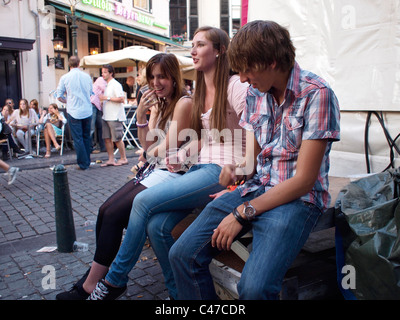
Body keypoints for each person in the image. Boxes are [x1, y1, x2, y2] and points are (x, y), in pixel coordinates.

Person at [168, 20, 341, 300]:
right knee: (182, 254)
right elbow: (253, 161)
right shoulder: (255, 94)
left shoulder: (317, 94)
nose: (244, 78)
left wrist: (241, 212)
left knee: (255, 288)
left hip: (298, 199)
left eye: (247, 70)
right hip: (257, 188)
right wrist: (236, 170)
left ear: (271, 61)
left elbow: (304, 181)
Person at [86, 26, 248, 300]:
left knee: (141, 202)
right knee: (157, 227)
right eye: (192, 45)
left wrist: (243, 171)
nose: (193, 51)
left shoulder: (236, 86)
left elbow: (256, 137)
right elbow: (204, 141)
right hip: (201, 167)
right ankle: (178, 295)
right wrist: (182, 155)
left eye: (200, 45)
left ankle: (114, 281)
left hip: (223, 173)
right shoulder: (200, 93)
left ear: (220, 50)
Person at [55, 53, 193, 300]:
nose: (156, 82)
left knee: (115, 213)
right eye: (152, 77)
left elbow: (161, 149)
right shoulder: (160, 104)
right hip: (156, 169)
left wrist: (150, 148)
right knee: (105, 210)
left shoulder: (184, 102)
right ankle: (97, 277)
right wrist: (141, 115)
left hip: (176, 174)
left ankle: (98, 284)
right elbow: (147, 146)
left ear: (174, 77)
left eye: (162, 76)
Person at [56, 56, 93, 170]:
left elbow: (59, 96)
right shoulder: (87, 77)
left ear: (69, 64)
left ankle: (83, 163)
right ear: (79, 64)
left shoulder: (65, 77)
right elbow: (91, 92)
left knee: (78, 138)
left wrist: (68, 101)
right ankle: (87, 160)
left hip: (74, 110)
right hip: (87, 109)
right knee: (86, 136)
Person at [99, 64, 128, 167]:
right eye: (102, 72)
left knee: (117, 138)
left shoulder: (116, 84)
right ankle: (111, 159)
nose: (103, 74)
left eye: (105, 72)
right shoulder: (106, 85)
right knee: (107, 138)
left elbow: (121, 99)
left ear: (111, 73)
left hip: (115, 116)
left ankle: (123, 158)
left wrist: (106, 98)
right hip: (106, 115)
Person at [90, 77, 107, 153]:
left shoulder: (103, 81)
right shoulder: (101, 80)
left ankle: (102, 146)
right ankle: (90, 148)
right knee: (92, 127)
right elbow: (106, 90)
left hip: (97, 105)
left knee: (100, 126)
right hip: (93, 104)